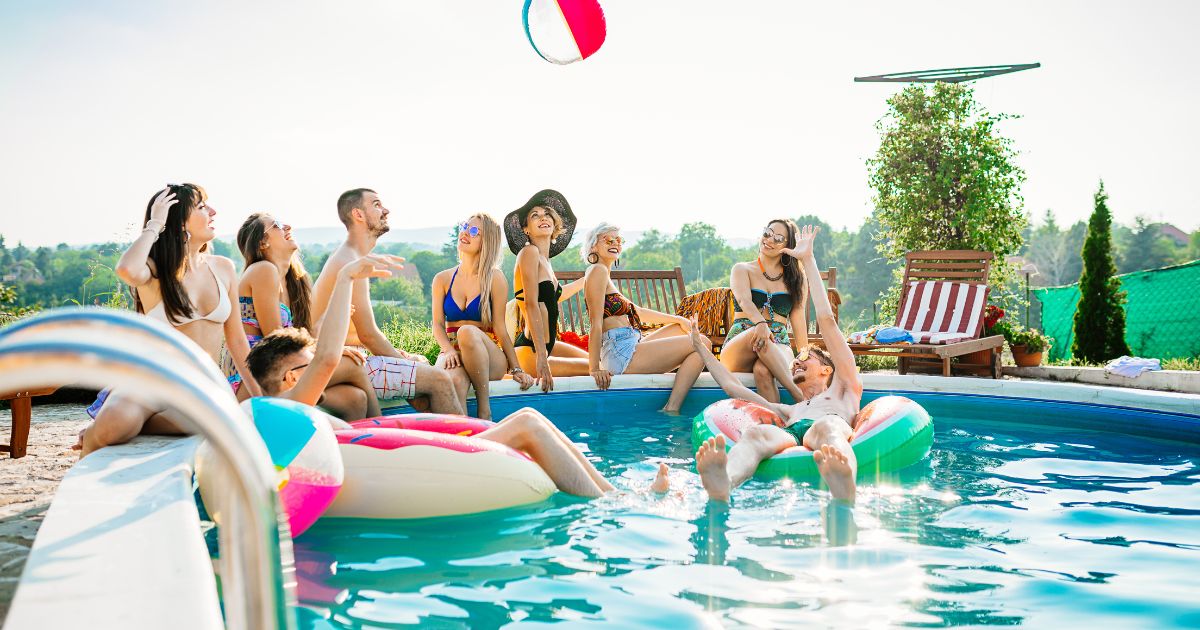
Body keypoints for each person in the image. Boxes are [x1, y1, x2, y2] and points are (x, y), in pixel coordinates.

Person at [248, 254, 660, 498]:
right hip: (406, 466)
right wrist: (344, 278)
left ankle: (616, 494)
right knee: (529, 422)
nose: (323, 364)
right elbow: (325, 362)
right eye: (308, 363)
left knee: (538, 427)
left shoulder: (287, 409)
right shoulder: (291, 403)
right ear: (289, 378)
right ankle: (616, 501)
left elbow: (354, 400)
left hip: (400, 454)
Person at [80, 184, 260, 456]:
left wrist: (258, 391)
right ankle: (95, 441)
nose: (213, 212)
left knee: (209, 420)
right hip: (151, 381)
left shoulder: (223, 268)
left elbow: (236, 339)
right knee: (112, 426)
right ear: (178, 222)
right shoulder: (155, 269)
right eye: (201, 207)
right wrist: (154, 225)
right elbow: (126, 269)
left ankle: (131, 426)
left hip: (200, 387)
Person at [688, 225, 862, 504]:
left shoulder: (844, 387)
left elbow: (826, 320)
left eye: (808, 360)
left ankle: (843, 482)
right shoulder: (791, 408)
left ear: (827, 370)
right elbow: (733, 387)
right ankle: (726, 481)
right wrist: (700, 348)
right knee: (756, 434)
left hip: (829, 424)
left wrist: (808, 259)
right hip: (792, 430)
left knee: (826, 429)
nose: (798, 363)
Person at [311, 188, 462, 414]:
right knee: (439, 380)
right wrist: (406, 361)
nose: (386, 210)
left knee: (421, 375)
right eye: (377, 204)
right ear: (358, 215)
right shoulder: (350, 260)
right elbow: (368, 335)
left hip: (354, 356)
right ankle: (465, 447)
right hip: (349, 361)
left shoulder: (349, 255)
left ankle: (434, 443)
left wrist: (403, 357)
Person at [234, 212, 381, 420]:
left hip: (284, 370)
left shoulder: (293, 281)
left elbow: (299, 339)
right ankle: (381, 435)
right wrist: (326, 350)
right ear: (262, 242)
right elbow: (277, 341)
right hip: (257, 379)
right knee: (355, 366)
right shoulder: (263, 270)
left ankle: (351, 448)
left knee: (355, 399)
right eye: (276, 225)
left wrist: (325, 330)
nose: (287, 226)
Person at [581, 223, 708, 413]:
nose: (615, 243)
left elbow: (638, 312)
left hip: (630, 343)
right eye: (608, 239)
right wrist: (594, 369)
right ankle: (671, 408)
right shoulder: (597, 271)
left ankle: (674, 390)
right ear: (593, 246)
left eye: (618, 240)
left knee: (682, 330)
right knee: (701, 343)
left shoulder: (604, 274)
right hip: (621, 352)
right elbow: (596, 322)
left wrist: (678, 319)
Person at [430, 214, 535, 419]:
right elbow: (437, 324)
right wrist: (448, 350)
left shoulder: (494, 278)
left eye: (474, 231)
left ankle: (484, 409)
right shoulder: (442, 279)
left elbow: (501, 329)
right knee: (456, 383)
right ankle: (462, 440)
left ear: (487, 242)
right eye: (465, 226)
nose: (465, 233)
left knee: (467, 332)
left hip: (488, 358)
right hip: (455, 355)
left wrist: (515, 369)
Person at [505, 190, 589, 392]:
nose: (543, 217)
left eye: (547, 214)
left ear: (555, 223)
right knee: (599, 369)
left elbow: (556, 296)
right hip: (533, 350)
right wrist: (543, 359)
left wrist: (588, 278)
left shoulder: (545, 261)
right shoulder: (529, 253)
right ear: (526, 229)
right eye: (535, 215)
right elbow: (532, 304)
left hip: (547, 346)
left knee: (599, 361)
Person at [720, 219, 810, 403]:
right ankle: (799, 397)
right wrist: (760, 324)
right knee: (758, 333)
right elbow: (744, 300)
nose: (769, 239)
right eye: (767, 233)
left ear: (788, 246)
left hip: (779, 344)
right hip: (741, 342)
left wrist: (806, 357)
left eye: (778, 238)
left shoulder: (796, 279)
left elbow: (798, 321)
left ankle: (777, 427)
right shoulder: (742, 269)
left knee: (762, 370)